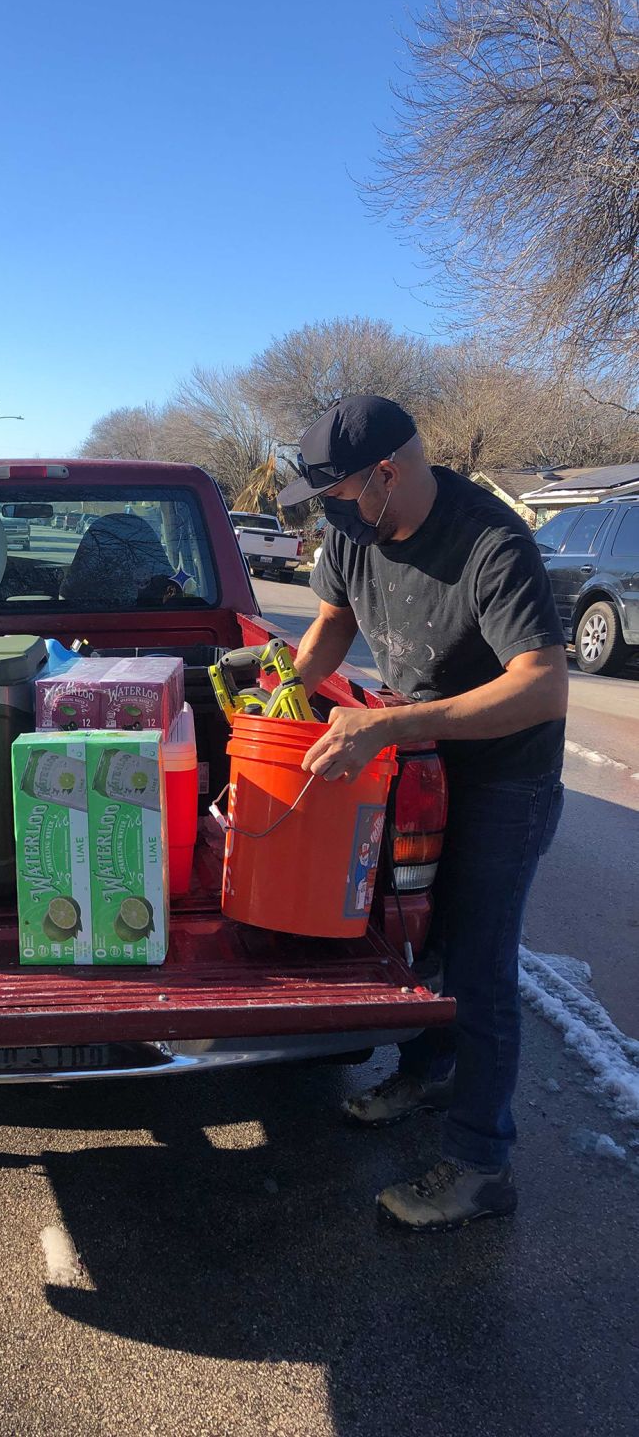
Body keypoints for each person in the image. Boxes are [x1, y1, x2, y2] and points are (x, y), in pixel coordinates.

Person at [280, 395, 567, 1231]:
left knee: (478, 967)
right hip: (423, 765)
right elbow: (330, 627)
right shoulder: (352, 533)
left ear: (386, 475)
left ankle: (483, 1166)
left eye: (336, 496)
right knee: (418, 939)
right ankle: (429, 1071)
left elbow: (542, 686)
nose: (328, 515)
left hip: (504, 779)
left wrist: (397, 722)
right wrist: (286, 694)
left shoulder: (491, 542)